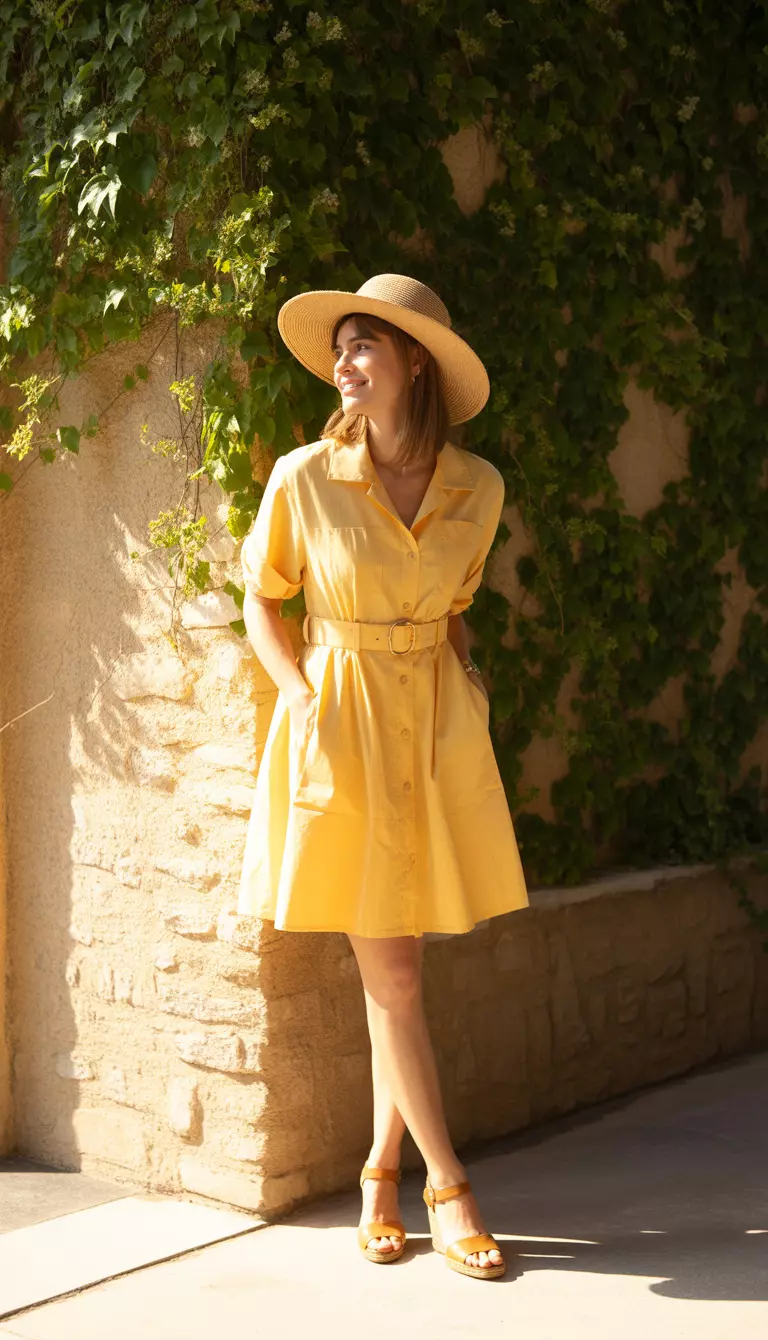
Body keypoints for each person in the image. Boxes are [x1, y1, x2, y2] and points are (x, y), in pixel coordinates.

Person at [237, 273, 529, 1280]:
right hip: (341, 728)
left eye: (365, 345)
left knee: (394, 971)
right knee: (395, 972)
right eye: (339, 347)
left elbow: (455, 608)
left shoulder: (478, 489)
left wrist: (465, 688)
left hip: (435, 728)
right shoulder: (301, 478)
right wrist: (299, 695)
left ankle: (376, 1171)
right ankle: (449, 1186)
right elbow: (261, 598)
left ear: (415, 362)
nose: (343, 363)